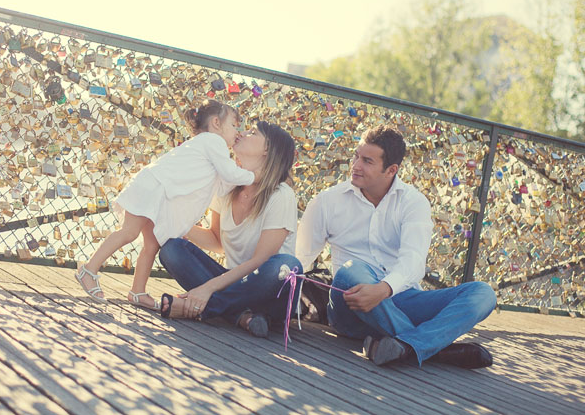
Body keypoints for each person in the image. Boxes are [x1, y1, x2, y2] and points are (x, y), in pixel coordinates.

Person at [296, 125, 497, 369]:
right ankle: (432, 348)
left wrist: (383, 290)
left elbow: (413, 261)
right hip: (351, 304)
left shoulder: (413, 202)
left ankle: (406, 346)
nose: (356, 165)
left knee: (483, 293)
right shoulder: (327, 201)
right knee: (351, 270)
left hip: (402, 299)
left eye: (367, 161)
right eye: (356, 156)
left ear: (391, 170)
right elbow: (300, 257)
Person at [75, 100, 255, 308]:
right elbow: (230, 174)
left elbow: (223, 185)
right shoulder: (213, 142)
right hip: (153, 189)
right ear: (216, 123)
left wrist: (240, 176)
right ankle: (89, 269)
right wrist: (254, 176)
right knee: (129, 232)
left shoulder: (208, 148)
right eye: (234, 125)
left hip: (158, 193)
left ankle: (137, 291)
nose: (237, 131)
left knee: (152, 244)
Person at [158, 121, 302, 338]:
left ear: (267, 149)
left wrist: (208, 288)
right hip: (233, 284)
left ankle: (204, 308)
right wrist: (177, 221)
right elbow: (217, 242)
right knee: (171, 249)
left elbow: (259, 261)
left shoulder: (281, 195)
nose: (242, 133)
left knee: (287, 266)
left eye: (253, 132)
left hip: (269, 289)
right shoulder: (226, 187)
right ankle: (243, 317)